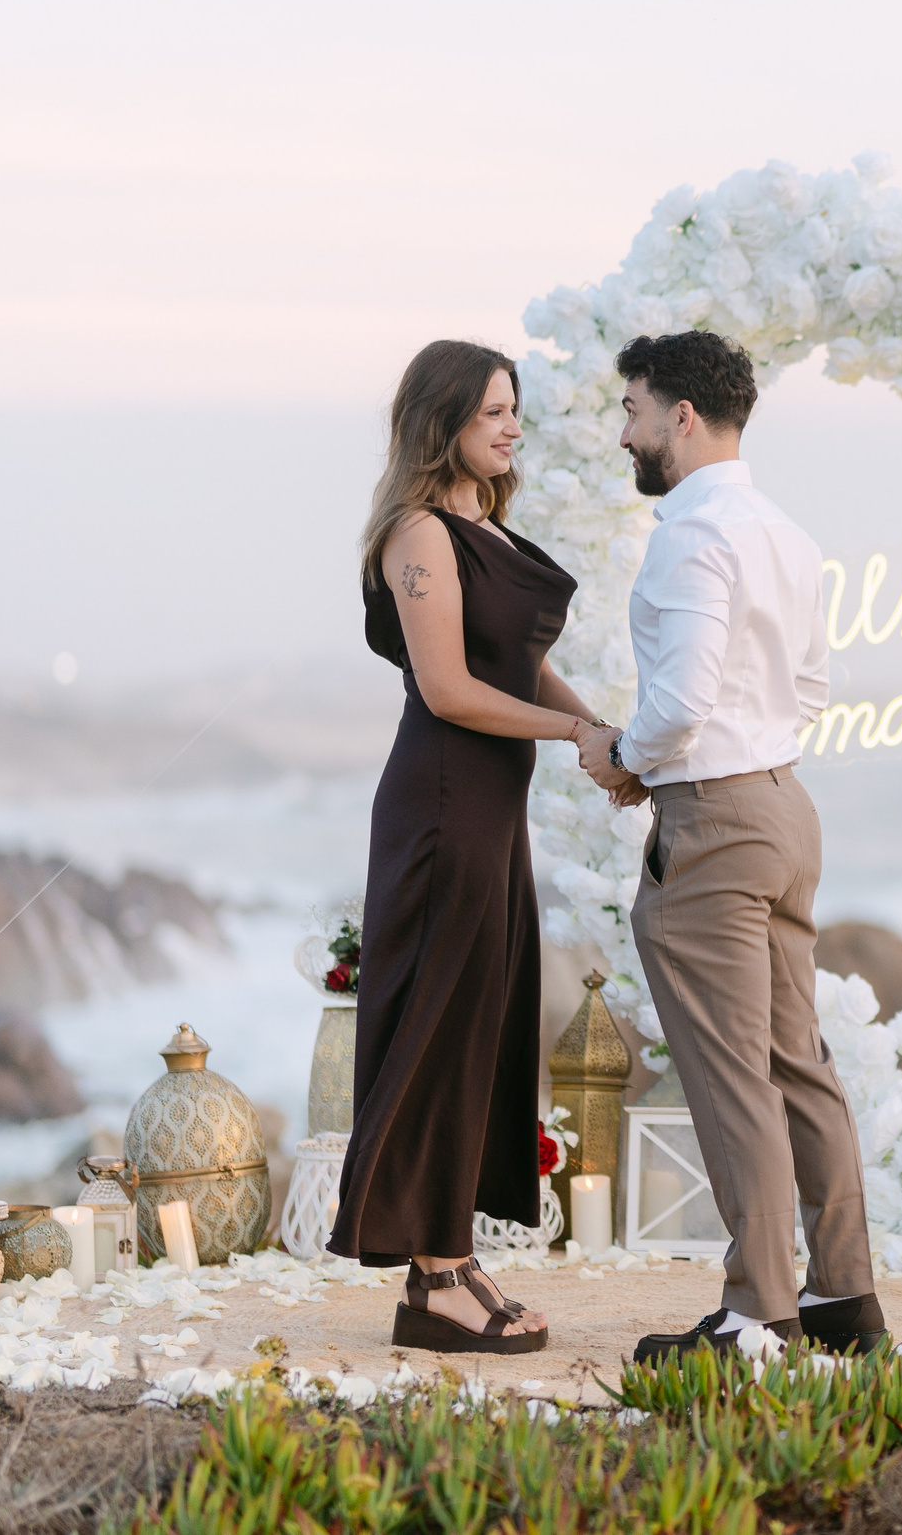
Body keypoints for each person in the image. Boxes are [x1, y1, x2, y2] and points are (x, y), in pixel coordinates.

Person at [571, 329, 886, 1360]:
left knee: (730, 1073)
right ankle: (844, 1303)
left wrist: (626, 754)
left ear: (683, 417)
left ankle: (757, 1316)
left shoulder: (690, 531)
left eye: (633, 411)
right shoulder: (787, 535)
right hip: (786, 808)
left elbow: (685, 694)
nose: (626, 433)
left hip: (713, 822)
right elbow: (810, 691)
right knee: (798, 1062)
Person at [329, 339, 642, 1355]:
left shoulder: (484, 525)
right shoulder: (418, 533)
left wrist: (601, 735)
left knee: (479, 1028)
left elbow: (522, 666)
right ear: (442, 422)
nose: (511, 428)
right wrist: (571, 737)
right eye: (491, 412)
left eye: (515, 410)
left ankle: (450, 1263)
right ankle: (434, 1280)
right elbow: (452, 692)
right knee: (440, 1025)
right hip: (441, 803)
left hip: (487, 811)